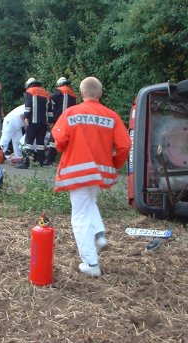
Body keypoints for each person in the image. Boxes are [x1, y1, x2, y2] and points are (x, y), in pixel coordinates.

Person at [52, 77, 131, 277]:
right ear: (100, 93)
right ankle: (99, 234)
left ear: (81, 93)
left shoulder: (71, 113)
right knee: (90, 202)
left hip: (76, 172)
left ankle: (91, 264)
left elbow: (60, 139)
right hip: (99, 172)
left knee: (79, 216)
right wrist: (115, 163)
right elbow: (124, 146)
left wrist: (62, 148)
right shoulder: (111, 116)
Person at [17, 78, 53, 169]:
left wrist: (26, 117)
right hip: (43, 124)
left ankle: (25, 162)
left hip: (33, 122)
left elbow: (28, 107)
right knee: (40, 143)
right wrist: (50, 121)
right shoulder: (46, 93)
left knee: (28, 142)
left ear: (29, 85)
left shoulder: (30, 91)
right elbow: (49, 110)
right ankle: (40, 162)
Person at [44, 77, 77, 165]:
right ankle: (69, 160)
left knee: (53, 139)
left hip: (59, 119)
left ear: (59, 84)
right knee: (68, 140)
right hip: (70, 121)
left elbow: (50, 102)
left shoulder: (58, 91)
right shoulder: (73, 94)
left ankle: (49, 160)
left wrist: (51, 117)